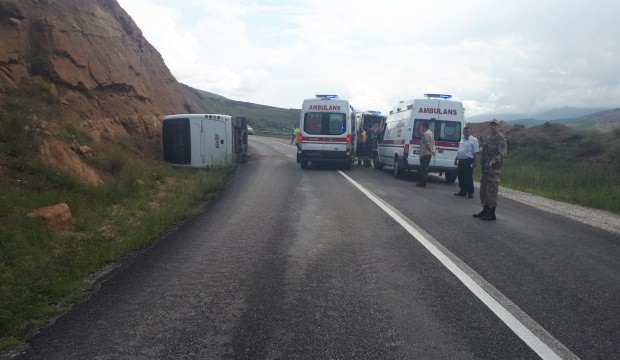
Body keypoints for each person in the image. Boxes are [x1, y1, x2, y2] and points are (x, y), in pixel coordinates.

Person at [473, 119, 507, 221]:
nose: (493, 127)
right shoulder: (488, 138)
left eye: (495, 125)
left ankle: (492, 213)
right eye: (491, 125)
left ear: (498, 126)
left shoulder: (501, 138)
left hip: (494, 170)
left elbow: (502, 154)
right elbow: (485, 149)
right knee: (483, 190)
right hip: (485, 168)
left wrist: (493, 161)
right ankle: (485, 209)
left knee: (491, 191)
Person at [454, 126, 479, 198]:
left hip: (468, 160)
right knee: (460, 176)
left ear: (470, 132)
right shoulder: (462, 140)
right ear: (463, 132)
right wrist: (456, 159)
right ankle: (462, 191)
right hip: (461, 160)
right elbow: (460, 151)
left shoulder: (474, 140)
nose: (466, 133)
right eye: (465, 132)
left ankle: (470, 192)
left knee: (468, 177)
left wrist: (475, 161)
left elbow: (475, 152)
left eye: (468, 132)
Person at [416, 121, 435, 187]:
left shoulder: (426, 134)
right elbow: (433, 143)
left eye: (422, 127)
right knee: (425, 167)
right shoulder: (431, 133)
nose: (421, 129)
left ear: (424, 127)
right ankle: (423, 181)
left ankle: (423, 182)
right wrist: (432, 151)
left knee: (423, 168)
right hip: (428, 153)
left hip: (425, 153)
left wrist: (431, 151)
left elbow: (427, 144)